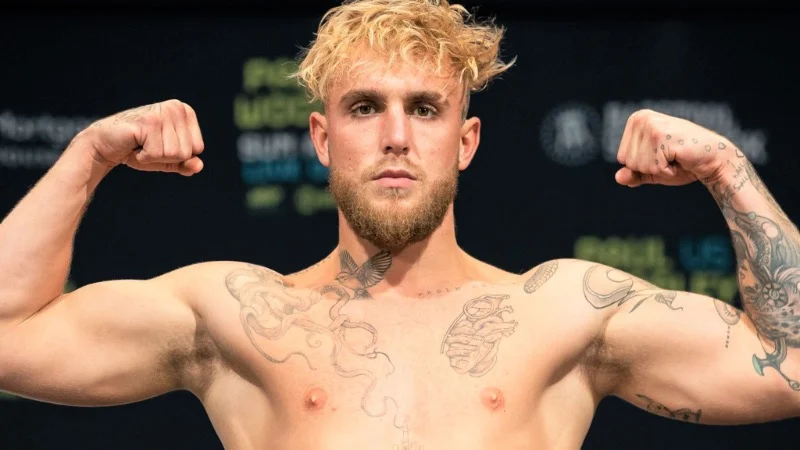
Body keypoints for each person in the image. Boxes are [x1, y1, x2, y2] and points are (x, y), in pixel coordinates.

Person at [0, 0, 798, 448]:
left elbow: (790, 363)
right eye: (364, 107)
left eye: (424, 109)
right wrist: (87, 156)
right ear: (321, 139)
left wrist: (728, 170)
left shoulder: (562, 313)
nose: (394, 136)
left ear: (466, 140)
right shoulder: (239, 317)